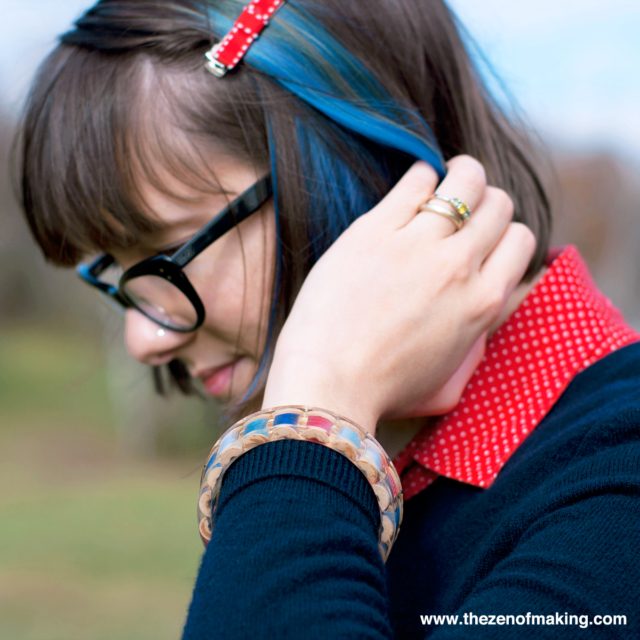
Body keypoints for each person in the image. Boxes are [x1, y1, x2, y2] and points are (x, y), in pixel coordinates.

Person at [16, 0, 640, 638]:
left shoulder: (617, 486)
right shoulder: (376, 457)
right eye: (114, 274)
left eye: (166, 257)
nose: (144, 337)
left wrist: (313, 417)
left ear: (360, 169)